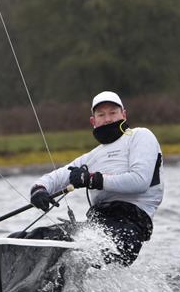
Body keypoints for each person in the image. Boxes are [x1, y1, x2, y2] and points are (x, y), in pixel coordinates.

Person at [27, 90, 164, 266]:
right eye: (101, 114)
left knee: (82, 250)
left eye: (113, 113)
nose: (108, 119)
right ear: (93, 121)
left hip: (131, 222)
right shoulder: (91, 157)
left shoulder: (140, 136)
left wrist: (93, 179)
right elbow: (55, 178)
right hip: (98, 221)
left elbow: (140, 181)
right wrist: (39, 189)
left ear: (124, 114)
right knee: (40, 237)